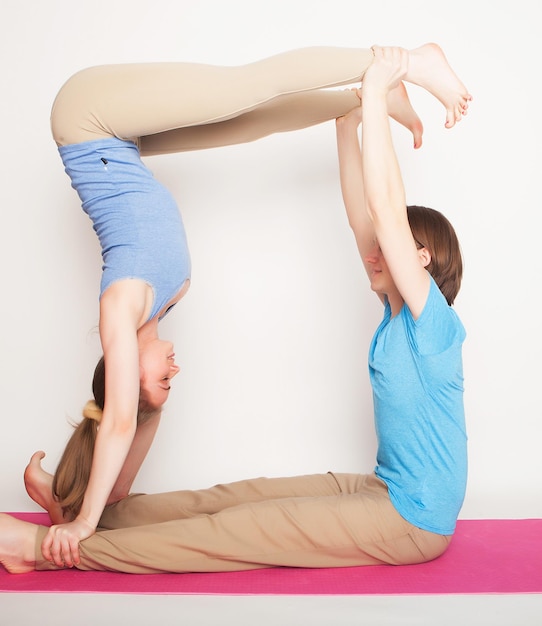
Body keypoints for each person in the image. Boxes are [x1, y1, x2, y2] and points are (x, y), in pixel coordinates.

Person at [0, 44, 471, 575]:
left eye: (391, 245)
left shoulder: (434, 321)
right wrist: (351, 119)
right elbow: (365, 216)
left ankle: (41, 551)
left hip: (413, 518)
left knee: (238, 533)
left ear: (422, 258)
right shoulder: (396, 316)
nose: (372, 250)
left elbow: (384, 214)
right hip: (385, 490)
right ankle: (92, 515)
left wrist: (384, 84)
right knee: (238, 499)